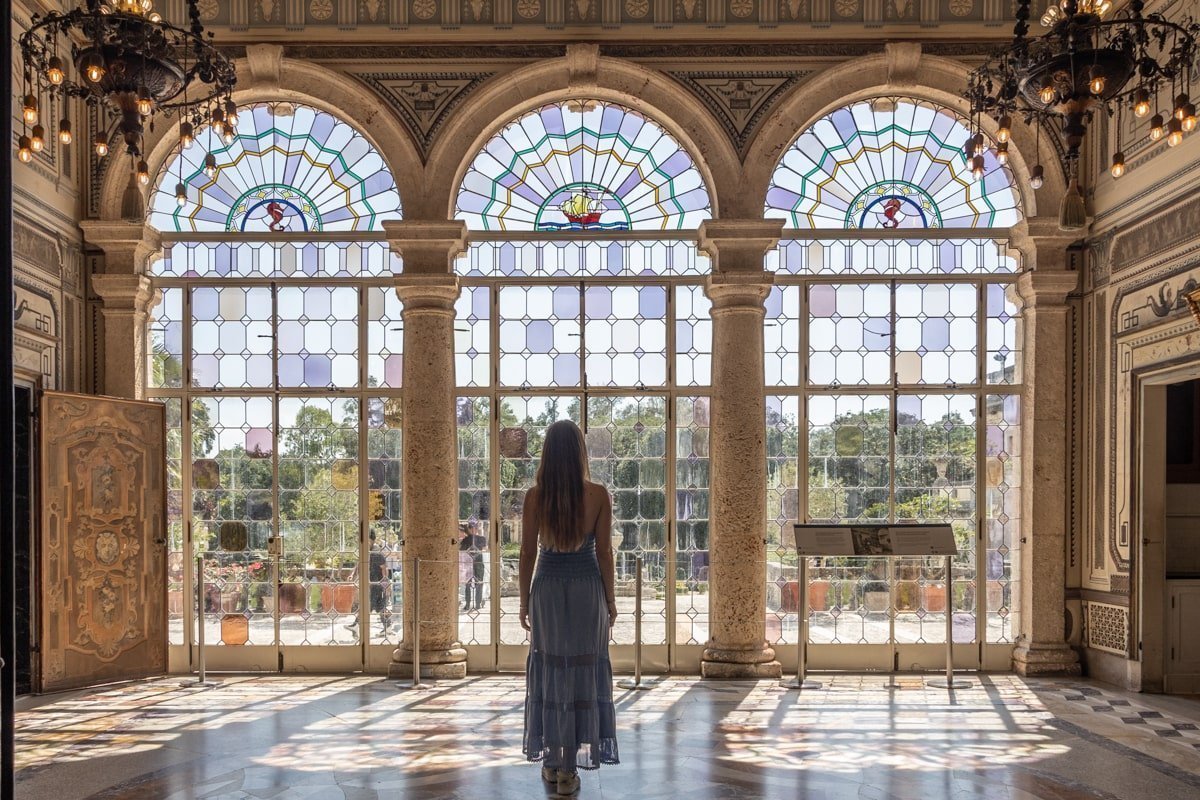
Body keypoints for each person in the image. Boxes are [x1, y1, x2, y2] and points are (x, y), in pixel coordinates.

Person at [519, 420, 619, 797]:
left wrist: (522, 600)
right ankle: (570, 770)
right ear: (580, 452)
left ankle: (552, 762)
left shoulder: (535, 497)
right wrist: (610, 600)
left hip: (546, 588)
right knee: (584, 669)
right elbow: (605, 553)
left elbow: (528, 552)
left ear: (547, 453)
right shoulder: (597, 495)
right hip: (586, 589)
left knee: (551, 669)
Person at [345, 531, 392, 632]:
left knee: (368, 605)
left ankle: (356, 626)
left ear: (370, 540)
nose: (360, 541)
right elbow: (359, 563)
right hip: (371, 583)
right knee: (378, 606)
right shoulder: (366, 550)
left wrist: (385, 584)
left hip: (376, 584)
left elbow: (384, 568)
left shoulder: (376, 552)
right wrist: (353, 574)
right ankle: (388, 626)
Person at [459, 520, 487, 610]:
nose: (474, 530)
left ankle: (477, 603)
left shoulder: (480, 539)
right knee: (468, 584)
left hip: (477, 563)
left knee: (478, 583)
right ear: (470, 529)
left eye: (475, 528)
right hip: (470, 564)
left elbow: (484, 548)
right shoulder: (466, 539)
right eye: (472, 528)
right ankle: (468, 604)